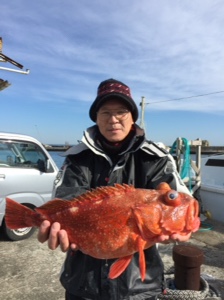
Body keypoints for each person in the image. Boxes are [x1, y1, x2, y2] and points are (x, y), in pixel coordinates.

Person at [38, 78, 192, 300]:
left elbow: (177, 200)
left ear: (132, 117)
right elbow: (65, 203)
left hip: (141, 285)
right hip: (82, 282)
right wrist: (53, 225)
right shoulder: (76, 158)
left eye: (121, 112)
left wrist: (177, 226)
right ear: (96, 118)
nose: (113, 120)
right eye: (105, 113)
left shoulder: (156, 158)